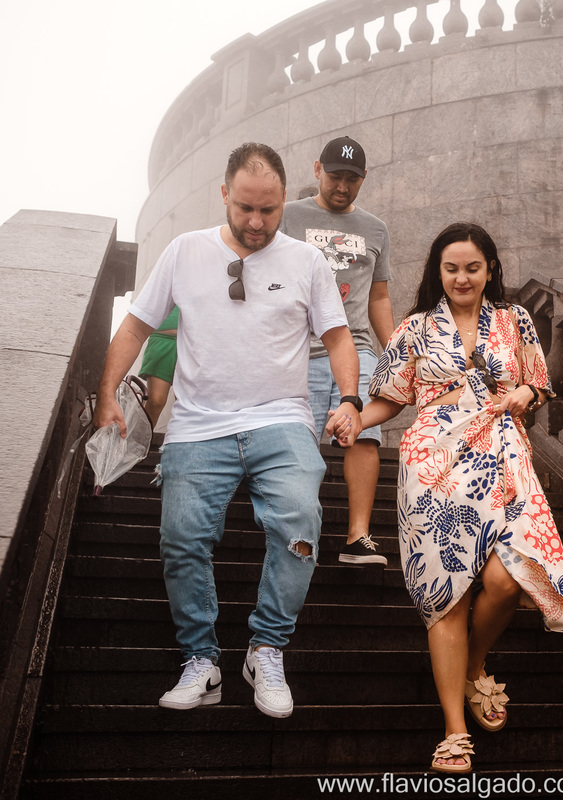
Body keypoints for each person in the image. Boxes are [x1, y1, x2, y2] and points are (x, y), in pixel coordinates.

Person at [93, 142, 362, 719]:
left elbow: (338, 336)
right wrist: (107, 393)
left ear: (284, 200)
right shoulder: (185, 251)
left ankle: (266, 650)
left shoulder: (307, 262)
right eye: (245, 208)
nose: (257, 222)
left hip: (281, 418)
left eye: (269, 209)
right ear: (224, 195)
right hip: (198, 425)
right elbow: (137, 325)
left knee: (300, 522)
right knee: (181, 537)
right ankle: (202, 661)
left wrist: (348, 400)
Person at [327, 222, 563, 773]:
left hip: (501, 456)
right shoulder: (414, 329)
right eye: (451, 268)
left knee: (506, 578)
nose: (461, 277)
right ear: (437, 272)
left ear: (490, 269)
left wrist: (525, 391)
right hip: (434, 465)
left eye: (472, 267)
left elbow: (541, 383)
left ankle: (473, 664)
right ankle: (454, 730)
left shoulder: (515, 320)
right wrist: (355, 419)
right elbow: (390, 399)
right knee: (448, 594)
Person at [280, 135, 394, 566]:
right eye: (334, 177)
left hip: (358, 345)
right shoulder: (288, 217)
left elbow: (378, 297)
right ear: (317, 170)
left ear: (363, 179)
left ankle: (357, 536)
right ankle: (297, 531)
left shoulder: (375, 229)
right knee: (298, 440)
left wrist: (396, 352)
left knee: (363, 429)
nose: (342, 186)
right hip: (301, 348)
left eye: (352, 179)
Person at [138, 306, 178, 425]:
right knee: (155, 401)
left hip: (192, 342)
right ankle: (139, 437)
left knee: (187, 404)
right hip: (161, 339)